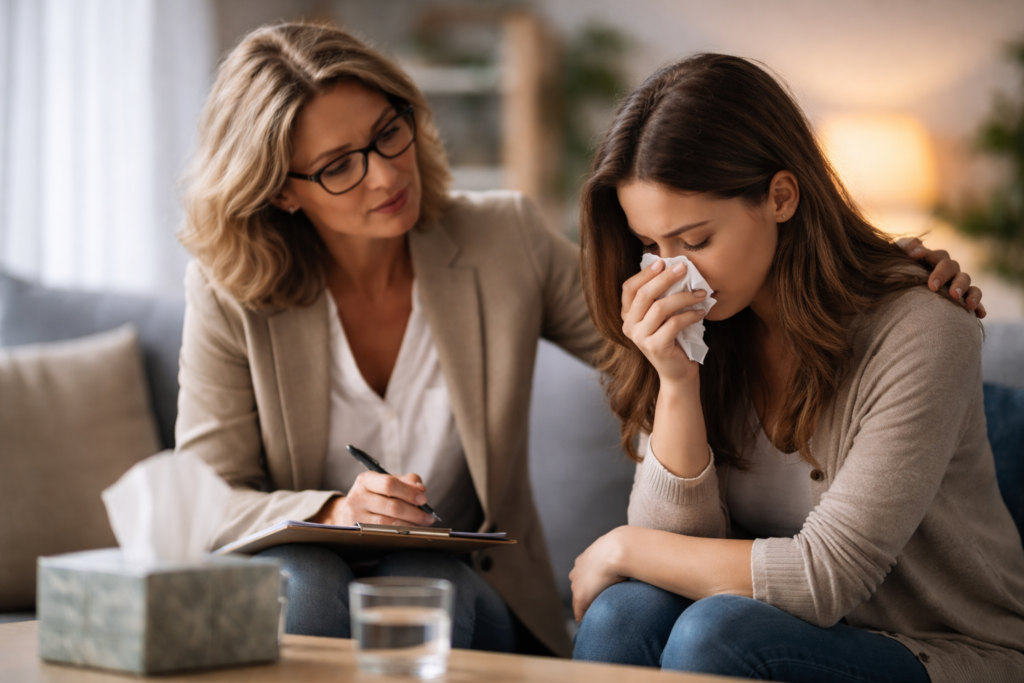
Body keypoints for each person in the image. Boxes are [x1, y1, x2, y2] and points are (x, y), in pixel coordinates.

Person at [175, 23, 985, 659]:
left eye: (389, 133)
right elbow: (200, 497)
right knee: (304, 580)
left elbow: (647, 328)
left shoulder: (501, 240)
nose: (386, 173)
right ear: (282, 191)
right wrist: (333, 509)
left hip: (463, 577)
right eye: (339, 166)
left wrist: (871, 264)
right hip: (301, 560)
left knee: (436, 582)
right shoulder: (228, 290)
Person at [569, 54, 1024, 682]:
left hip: (940, 649)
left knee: (715, 633)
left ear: (780, 197)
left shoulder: (923, 328)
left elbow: (825, 578)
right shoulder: (702, 329)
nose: (672, 273)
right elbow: (670, 560)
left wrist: (622, 545)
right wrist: (676, 383)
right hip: (773, 632)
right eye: (651, 246)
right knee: (626, 614)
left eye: (695, 241)